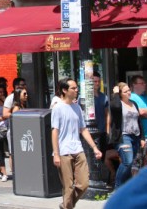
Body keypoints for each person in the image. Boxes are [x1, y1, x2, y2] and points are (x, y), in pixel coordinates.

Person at [51, 77, 102, 209]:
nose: (76, 90)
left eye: (76, 87)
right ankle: (67, 205)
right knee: (68, 187)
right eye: (73, 88)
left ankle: (66, 205)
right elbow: (54, 131)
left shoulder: (77, 107)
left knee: (84, 184)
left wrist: (95, 148)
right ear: (64, 90)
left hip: (78, 149)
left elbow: (83, 129)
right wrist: (56, 154)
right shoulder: (58, 108)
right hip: (63, 151)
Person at [109, 83, 143, 189]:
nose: (129, 92)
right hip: (124, 136)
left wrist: (142, 138)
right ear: (120, 94)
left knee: (131, 164)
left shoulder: (134, 103)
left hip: (135, 136)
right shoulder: (118, 103)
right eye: (125, 91)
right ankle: (118, 187)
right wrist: (115, 94)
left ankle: (126, 188)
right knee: (127, 162)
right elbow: (115, 107)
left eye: (129, 90)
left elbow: (138, 121)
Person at [129, 75, 147, 170]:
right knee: (138, 162)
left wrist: (146, 113)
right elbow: (139, 112)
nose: (145, 85)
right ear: (134, 85)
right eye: (142, 83)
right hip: (141, 136)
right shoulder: (131, 97)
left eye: (144, 83)